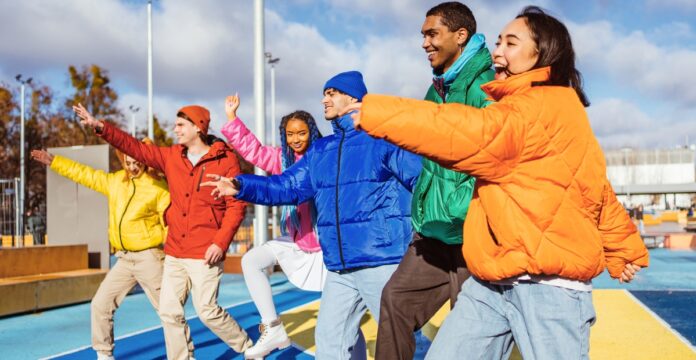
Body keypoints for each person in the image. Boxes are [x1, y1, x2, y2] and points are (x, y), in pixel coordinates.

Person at [346, 7, 649, 359]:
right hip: (493, 283)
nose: (498, 51)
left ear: (542, 53)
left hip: (547, 289)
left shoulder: (529, 111)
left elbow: (458, 131)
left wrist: (377, 113)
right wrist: (622, 246)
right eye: (498, 42)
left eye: (511, 43)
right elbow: (593, 185)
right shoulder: (542, 105)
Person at [201, 71, 422, 359]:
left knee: (399, 344)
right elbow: (287, 185)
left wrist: (418, 236)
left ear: (353, 97)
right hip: (339, 268)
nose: (324, 99)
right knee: (329, 343)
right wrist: (241, 185)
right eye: (324, 93)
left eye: (331, 93)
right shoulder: (321, 150)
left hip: (381, 261)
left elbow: (422, 183)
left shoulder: (383, 140)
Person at [73, 104, 251, 360]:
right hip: (176, 252)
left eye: (181, 125)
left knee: (207, 310)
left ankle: (246, 346)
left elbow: (236, 207)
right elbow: (134, 147)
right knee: (169, 311)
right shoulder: (171, 156)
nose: (175, 129)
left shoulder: (226, 160)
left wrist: (220, 243)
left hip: (206, 251)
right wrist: (100, 126)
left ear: (198, 127)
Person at [375, 3, 494, 358]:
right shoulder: (437, 89)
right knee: (395, 300)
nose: (425, 43)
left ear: (461, 36)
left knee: (468, 334)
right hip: (434, 231)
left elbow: (494, 153)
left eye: (432, 34)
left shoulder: (484, 85)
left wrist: (465, 208)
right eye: (423, 35)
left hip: (470, 232)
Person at [31, 142, 173, 360]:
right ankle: (104, 355)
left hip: (150, 257)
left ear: (146, 161)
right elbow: (85, 174)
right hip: (124, 259)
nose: (133, 167)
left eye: (137, 162)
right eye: (128, 161)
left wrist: (173, 255)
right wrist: (55, 162)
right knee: (100, 305)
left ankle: (184, 356)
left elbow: (170, 226)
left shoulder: (158, 187)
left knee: (169, 311)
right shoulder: (116, 181)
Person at [220, 94, 327, 358]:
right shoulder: (282, 159)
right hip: (296, 240)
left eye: (302, 133)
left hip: (325, 246)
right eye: (290, 134)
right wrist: (233, 119)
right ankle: (273, 327)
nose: (296, 139)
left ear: (312, 132)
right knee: (251, 260)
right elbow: (254, 151)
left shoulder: (323, 157)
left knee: (339, 317)